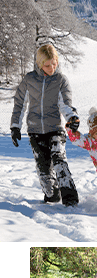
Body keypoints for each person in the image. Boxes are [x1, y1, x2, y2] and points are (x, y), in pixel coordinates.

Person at [10, 44, 80, 205]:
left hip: (55, 128)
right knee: (44, 171)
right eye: (47, 65)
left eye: (54, 63)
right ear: (39, 64)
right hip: (35, 130)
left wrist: (72, 117)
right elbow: (20, 103)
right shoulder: (29, 79)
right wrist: (15, 126)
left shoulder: (60, 80)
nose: (51, 68)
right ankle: (52, 196)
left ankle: (71, 200)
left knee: (59, 160)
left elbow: (65, 104)